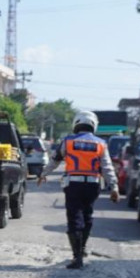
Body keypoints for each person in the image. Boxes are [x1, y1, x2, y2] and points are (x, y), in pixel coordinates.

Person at [38, 110, 119, 269]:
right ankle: (81, 250)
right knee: (87, 216)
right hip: (93, 185)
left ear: (76, 123)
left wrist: (43, 174)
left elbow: (54, 160)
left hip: (73, 185)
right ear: (93, 125)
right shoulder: (100, 143)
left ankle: (77, 257)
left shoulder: (67, 142)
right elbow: (107, 167)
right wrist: (114, 186)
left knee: (74, 218)